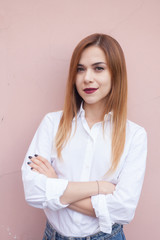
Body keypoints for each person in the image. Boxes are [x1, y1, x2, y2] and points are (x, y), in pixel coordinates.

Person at [21, 33, 147, 240]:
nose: (87, 77)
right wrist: (99, 187)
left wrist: (56, 185)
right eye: (80, 69)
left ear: (116, 74)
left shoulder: (135, 135)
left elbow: (123, 210)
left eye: (98, 68)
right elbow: (33, 191)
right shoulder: (52, 123)